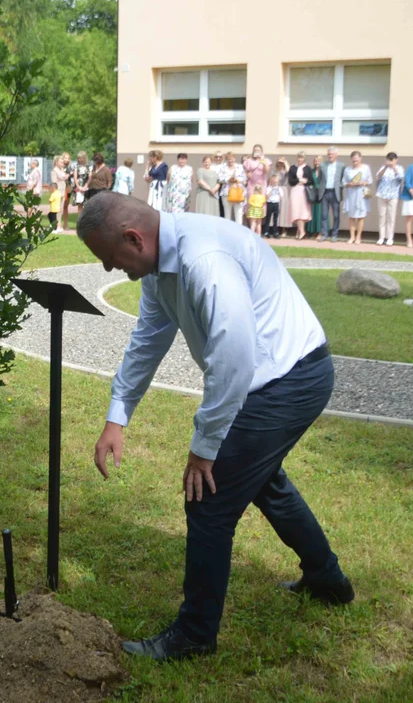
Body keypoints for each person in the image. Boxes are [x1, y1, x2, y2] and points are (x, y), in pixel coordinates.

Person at [77, 192, 353, 664]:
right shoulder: (159, 265)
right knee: (264, 482)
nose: (107, 269)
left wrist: (205, 447)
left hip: (290, 378)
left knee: (207, 499)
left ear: (133, 238)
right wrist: (116, 417)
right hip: (273, 377)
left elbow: (234, 358)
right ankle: (327, 579)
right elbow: (147, 341)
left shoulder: (204, 258)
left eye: (108, 258)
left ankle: (195, 635)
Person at [374, 153, 404, 246]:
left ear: (396, 160)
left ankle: (390, 238)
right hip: (382, 195)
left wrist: (394, 168)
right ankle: (381, 237)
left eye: (392, 159)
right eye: (388, 159)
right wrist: (385, 167)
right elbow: (378, 176)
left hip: (393, 196)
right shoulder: (383, 167)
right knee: (382, 216)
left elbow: (400, 177)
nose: (390, 161)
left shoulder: (399, 168)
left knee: (391, 217)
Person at [342, 151, 372, 244]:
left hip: (362, 194)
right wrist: (349, 184)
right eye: (353, 158)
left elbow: (370, 181)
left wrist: (362, 183)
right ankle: (352, 237)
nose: (355, 159)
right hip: (351, 194)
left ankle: (358, 237)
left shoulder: (366, 168)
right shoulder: (347, 169)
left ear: (360, 158)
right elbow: (343, 182)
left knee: (360, 217)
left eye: (356, 158)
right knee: (351, 217)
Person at [319, 147, 345, 242]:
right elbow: (320, 179)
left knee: (336, 215)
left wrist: (340, 188)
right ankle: (324, 234)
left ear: (336, 155)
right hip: (325, 192)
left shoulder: (341, 166)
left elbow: (343, 178)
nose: (330, 156)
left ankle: (334, 235)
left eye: (332, 154)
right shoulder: (323, 165)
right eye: (329, 154)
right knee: (324, 215)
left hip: (335, 192)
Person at [288, 152, 313, 240]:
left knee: (303, 211)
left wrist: (306, 181)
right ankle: (302, 231)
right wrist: (299, 180)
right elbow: (291, 181)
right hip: (295, 190)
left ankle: (300, 231)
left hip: (304, 191)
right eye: (298, 157)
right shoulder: (292, 168)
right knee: (296, 211)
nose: (300, 159)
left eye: (301, 158)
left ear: (304, 159)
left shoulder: (307, 168)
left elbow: (310, 180)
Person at [219, 152, 246, 223]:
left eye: (232, 159)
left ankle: (238, 232)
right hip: (226, 193)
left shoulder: (239, 167)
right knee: (227, 215)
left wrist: (237, 179)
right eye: (228, 159)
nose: (230, 160)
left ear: (234, 158)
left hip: (238, 193)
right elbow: (219, 178)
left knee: (238, 214)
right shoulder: (222, 167)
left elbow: (244, 178)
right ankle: (227, 232)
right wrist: (228, 180)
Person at [51, 154, 69, 231]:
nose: (62, 163)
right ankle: (55, 225)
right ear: (56, 162)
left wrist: (65, 177)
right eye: (61, 162)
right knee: (56, 209)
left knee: (61, 209)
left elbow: (63, 178)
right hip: (57, 192)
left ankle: (59, 224)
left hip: (62, 191)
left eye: (62, 162)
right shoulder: (54, 171)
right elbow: (54, 182)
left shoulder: (61, 170)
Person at [307, 156, 324, 239]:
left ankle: (320, 232)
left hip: (321, 193)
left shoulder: (323, 171)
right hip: (314, 193)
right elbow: (309, 181)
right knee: (313, 212)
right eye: (315, 161)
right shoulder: (312, 171)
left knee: (321, 213)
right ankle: (313, 231)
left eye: (318, 161)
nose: (317, 163)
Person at [273, 158, 291, 237]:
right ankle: (274, 229)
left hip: (283, 190)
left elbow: (289, 171)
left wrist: (285, 162)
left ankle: (284, 229)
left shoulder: (285, 172)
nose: (280, 164)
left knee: (283, 209)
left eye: (281, 163)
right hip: (275, 190)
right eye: (279, 162)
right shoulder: (274, 172)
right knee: (275, 209)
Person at [265, 174, 283, 238]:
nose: (275, 182)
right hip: (270, 203)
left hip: (276, 203)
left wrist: (278, 190)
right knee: (268, 218)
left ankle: (275, 232)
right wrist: (272, 190)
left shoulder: (279, 188)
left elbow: (281, 197)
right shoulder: (268, 188)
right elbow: (267, 197)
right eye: (273, 181)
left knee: (275, 219)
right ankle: (267, 232)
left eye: (276, 181)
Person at [59, 152, 74, 228]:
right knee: (60, 205)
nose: (67, 160)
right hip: (61, 188)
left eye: (68, 158)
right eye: (65, 158)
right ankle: (58, 223)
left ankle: (66, 223)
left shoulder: (70, 168)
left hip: (68, 188)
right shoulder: (60, 167)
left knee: (66, 206)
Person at [212, 151, 227, 217]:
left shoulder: (225, 166)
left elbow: (225, 178)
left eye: (220, 157)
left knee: (222, 206)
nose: (218, 158)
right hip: (213, 187)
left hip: (222, 188)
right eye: (216, 157)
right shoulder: (211, 166)